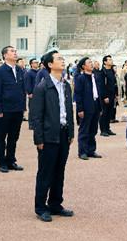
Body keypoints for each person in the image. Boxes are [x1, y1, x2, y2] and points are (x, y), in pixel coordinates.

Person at [31, 50, 75, 222]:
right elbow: (36, 116)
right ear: (50, 65)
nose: (62, 61)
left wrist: (71, 132)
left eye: (63, 58)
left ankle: (55, 203)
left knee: (59, 171)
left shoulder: (65, 86)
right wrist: (39, 139)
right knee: (45, 172)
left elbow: (68, 110)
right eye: (58, 59)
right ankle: (41, 207)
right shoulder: (42, 87)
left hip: (63, 134)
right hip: (49, 136)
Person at [0, 46, 26, 173]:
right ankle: (2, 162)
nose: (15, 53)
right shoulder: (0, 72)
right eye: (12, 51)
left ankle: (11, 160)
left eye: (15, 51)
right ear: (5, 55)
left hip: (17, 109)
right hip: (4, 110)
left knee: (14, 137)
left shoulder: (19, 70)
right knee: (1, 137)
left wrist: (23, 107)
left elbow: (22, 90)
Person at [73, 57, 104, 160]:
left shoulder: (95, 76)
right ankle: (82, 151)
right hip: (86, 107)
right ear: (83, 66)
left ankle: (91, 150)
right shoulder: (80, 78)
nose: (91, 64)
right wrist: (80, 109)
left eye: (91, 62)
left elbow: (98, 92)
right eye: (89, 62)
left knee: (93, 129)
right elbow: (78, 94)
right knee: (84, 130)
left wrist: (100, 107)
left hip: (95, 105)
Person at [99, 55, 118, 137]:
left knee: (109, 112)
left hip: (112, 95)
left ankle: (107, 128)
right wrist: (104, 96)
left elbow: (114, 83)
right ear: (105, 62)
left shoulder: (112, 71)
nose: (111, 61)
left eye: (111, 59)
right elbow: (101, 85)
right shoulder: (102, 72)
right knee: (104, 113)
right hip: (105, 96)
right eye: (109, 60)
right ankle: (103, 130)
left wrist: (116, 95)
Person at [25, 58, 39, 131]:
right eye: (35, 62)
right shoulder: (29, 73)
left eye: (37, 62)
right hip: (32, 94)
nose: (36, 63)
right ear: (31, 64)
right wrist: (29, 92)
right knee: (32, 109)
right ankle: (31, 124)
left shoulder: (39, 72)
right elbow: (27, 83)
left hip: (39, 93)